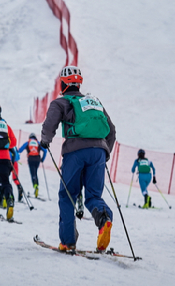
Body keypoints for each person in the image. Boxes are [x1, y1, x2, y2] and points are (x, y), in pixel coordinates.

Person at [40, 65, 116, 252]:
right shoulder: (94, 102)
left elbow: (50, 124)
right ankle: (104, 219)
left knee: (67, 196)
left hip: (75, 151)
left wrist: (45, 140)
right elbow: (111, 130)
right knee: (93, 196)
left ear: (64, 82)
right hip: (99, 152)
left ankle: (68, 242)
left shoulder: (61, 102)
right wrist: (104, 153)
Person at [18, 133, 47, 198]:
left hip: (31, 159)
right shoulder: (38, 142)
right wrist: (42, 159)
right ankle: (36, 187)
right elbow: (45, 150)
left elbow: (20, 150)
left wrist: (15, 153)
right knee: (35, 172)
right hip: (37, 159)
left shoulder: (28, 142)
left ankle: (35, 186)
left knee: (32, 173)